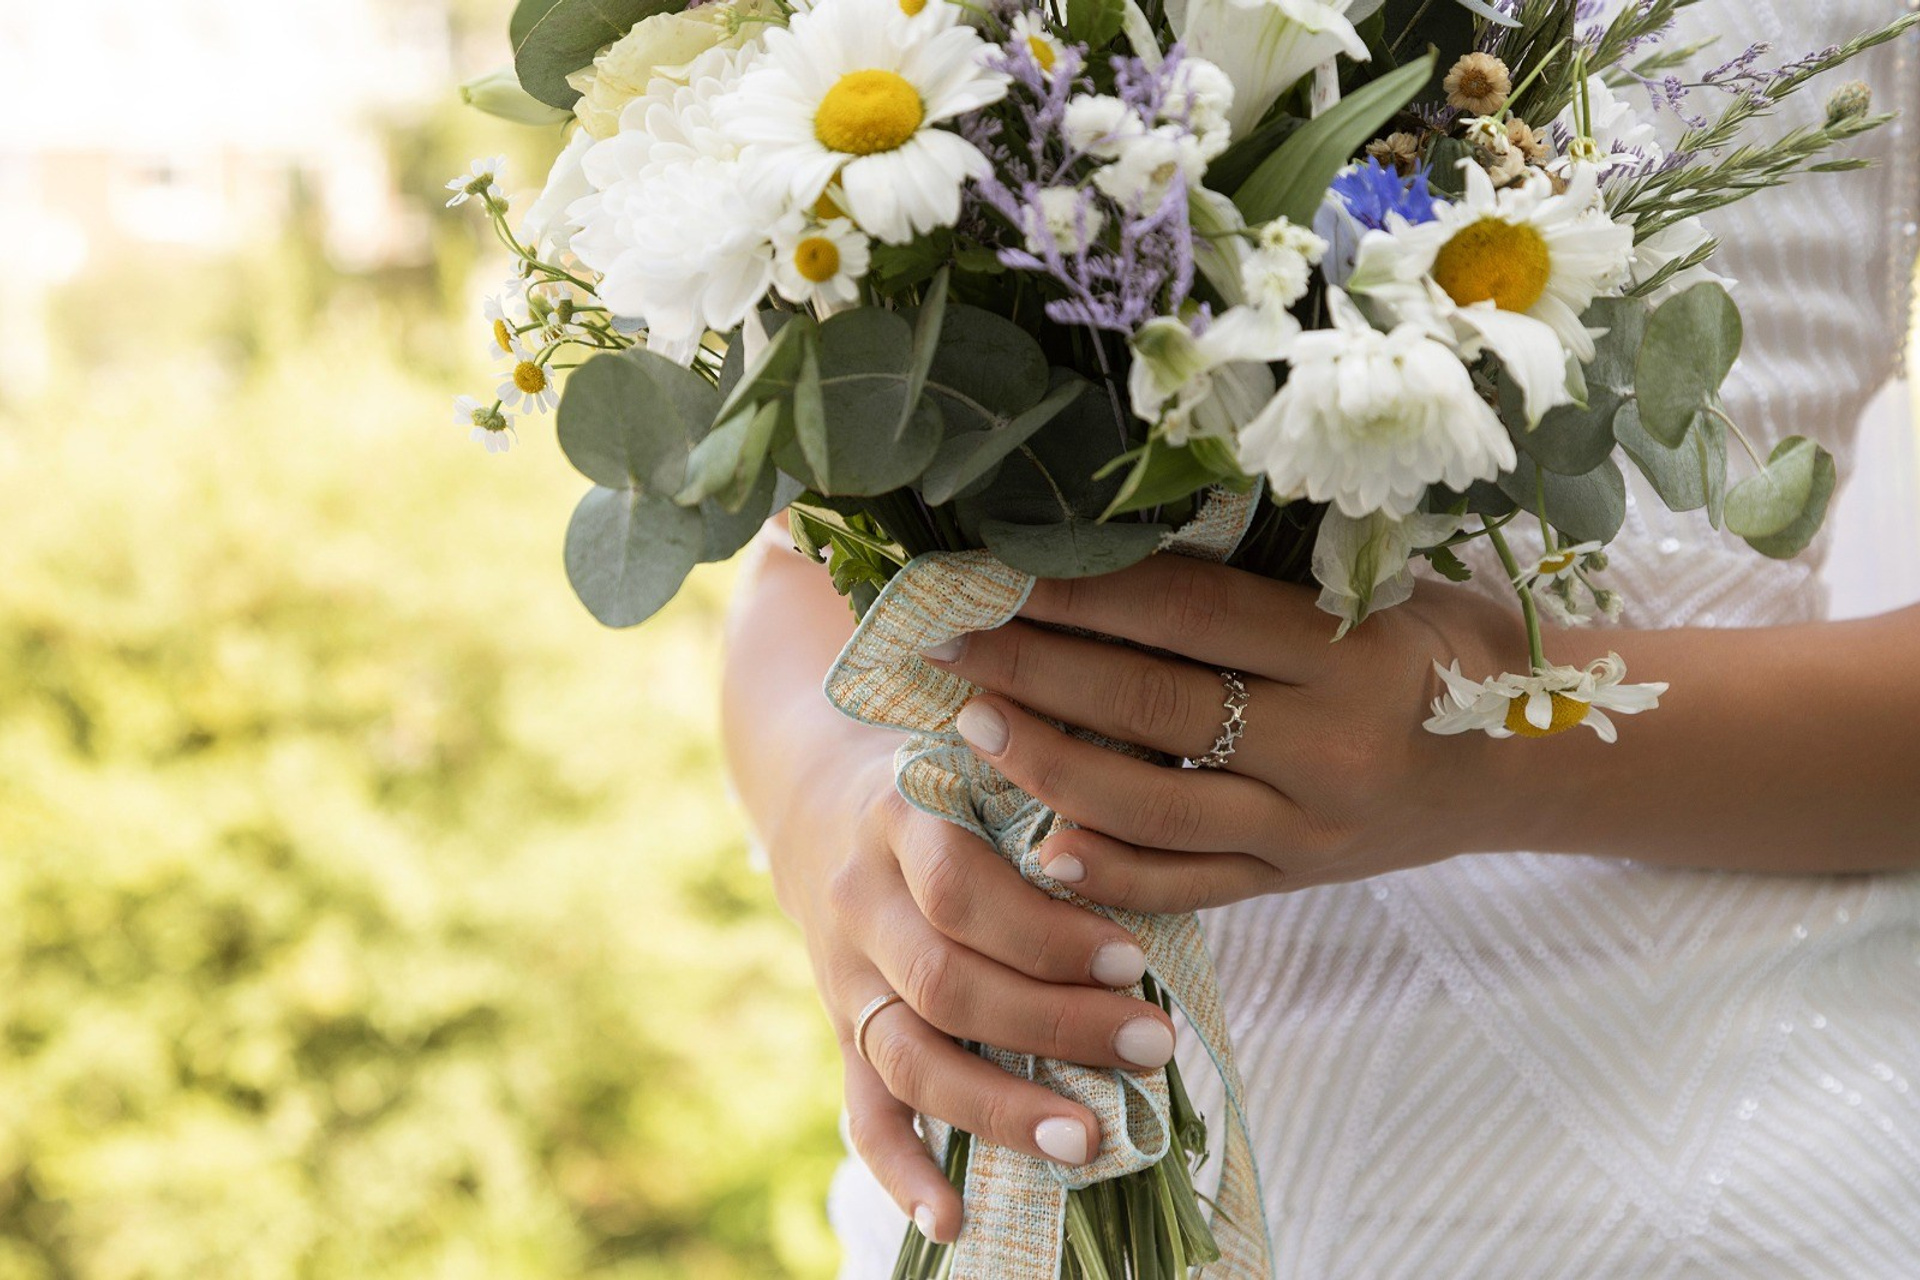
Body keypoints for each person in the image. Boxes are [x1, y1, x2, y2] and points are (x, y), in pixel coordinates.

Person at [721, 2, 1920, 1273]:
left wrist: (1488, 735)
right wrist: (845, 825)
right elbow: (805, 558)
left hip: (1722, 1169)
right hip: (1024, 1145)